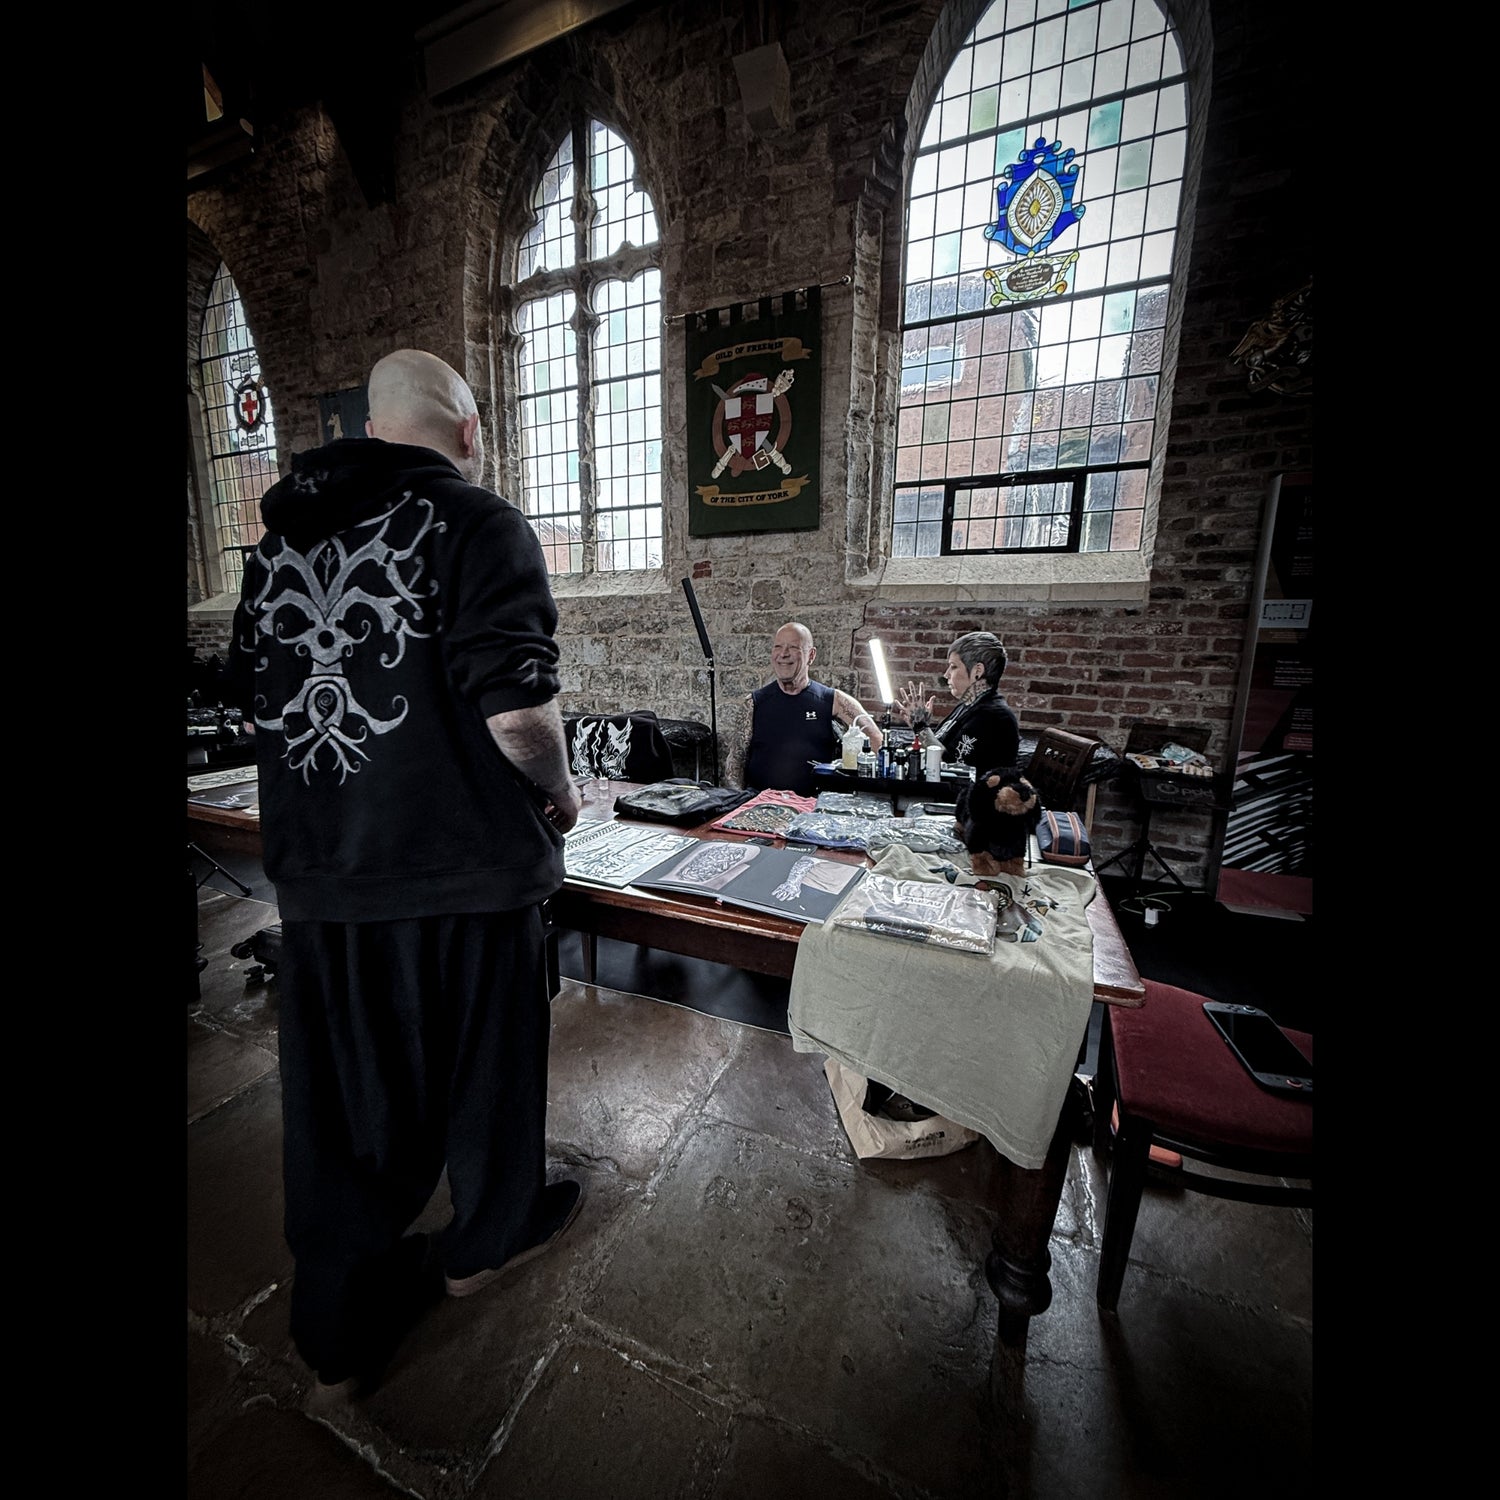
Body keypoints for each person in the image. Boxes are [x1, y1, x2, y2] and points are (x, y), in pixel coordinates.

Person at [229, 348, 585, 1405]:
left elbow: (262, 702)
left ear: (371, 428)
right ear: (468, 429)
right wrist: (560, 800)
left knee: (344, 1107)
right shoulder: (479, 522)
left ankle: (336, 1332)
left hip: (327, 877)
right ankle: (484, 1240)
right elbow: (517, 708)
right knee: (489, 1075)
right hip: (466, 869)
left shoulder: (276, 539)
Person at [725, 621, 885, 795]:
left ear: (811, 655)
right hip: (759, 807)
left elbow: (876, 741)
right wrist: (738, 801)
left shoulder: (834, 701)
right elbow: (735, 762)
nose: (783, 654)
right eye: (778, 647)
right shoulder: (754, 703)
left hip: (813, 812)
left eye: (793, 647)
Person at [894, 630, 1020, 774]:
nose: (946, 674)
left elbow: (950, 768)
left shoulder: (993, 717)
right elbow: (942, 750)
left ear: (977, 671)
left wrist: (921, 727)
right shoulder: (969, 704)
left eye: (953, 666)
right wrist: (922, 728)